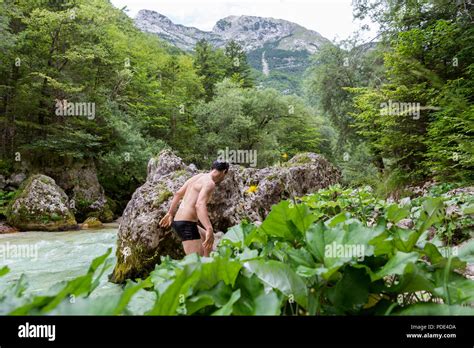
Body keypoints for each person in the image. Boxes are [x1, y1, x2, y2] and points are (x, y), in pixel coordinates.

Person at [159, 161, 229, 256]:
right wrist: (209, 228)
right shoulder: (210, 183)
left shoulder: (199, 176)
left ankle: (209, 264)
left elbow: (178, 193)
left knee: (207, 242)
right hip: (186, 224)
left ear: (212, 168)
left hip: (181, 221)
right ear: (224, 172)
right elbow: (199, 205)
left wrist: (170, 213)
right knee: (196, 262)